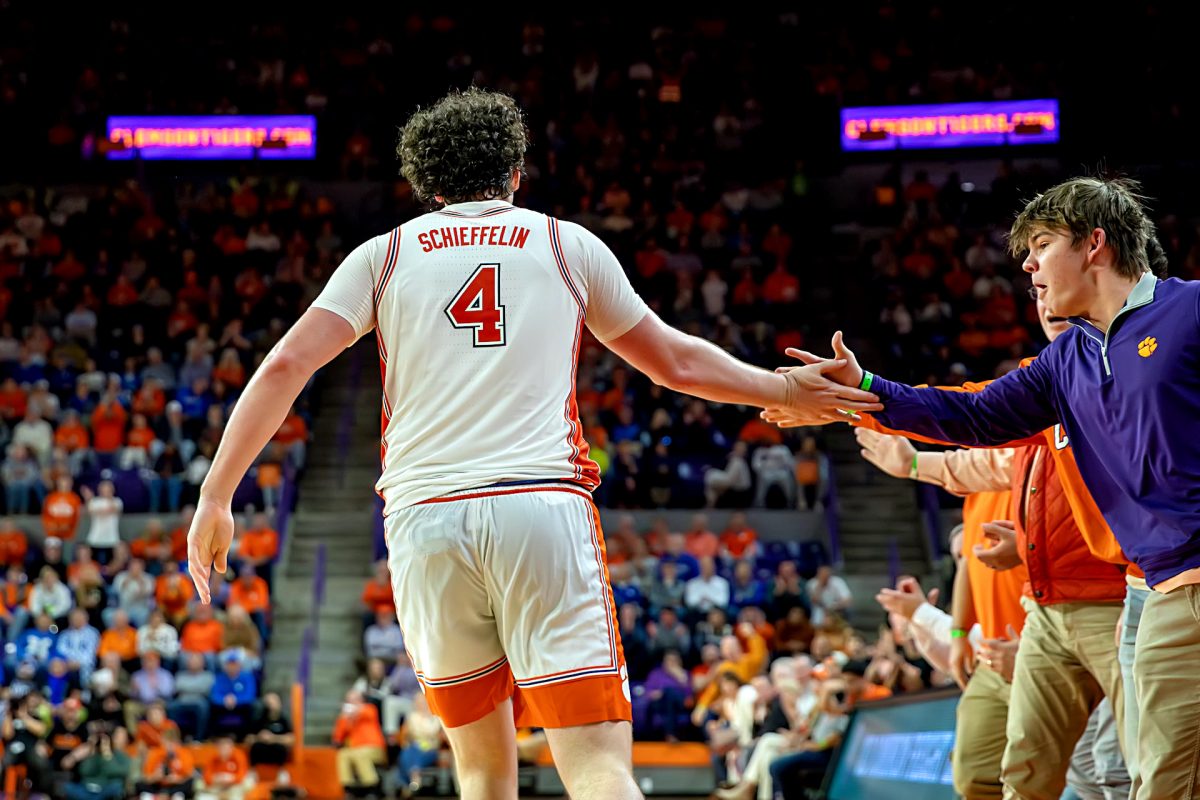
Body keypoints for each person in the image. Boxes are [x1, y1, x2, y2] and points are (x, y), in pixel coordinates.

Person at [184, 87, 878, 800]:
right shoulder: (563, 242)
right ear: (517, 171)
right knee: (597, 767)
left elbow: (285, 366)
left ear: (424, 185)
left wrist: (216, 495)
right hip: (536, 505)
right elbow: (676, 362)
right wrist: (785, 390)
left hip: (425, 521)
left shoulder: (382, 256)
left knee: (483, 772)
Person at [765, 177, 1192, 798]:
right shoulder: (1065, 360)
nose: (1027, 264)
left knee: (1156, 777)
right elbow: (971, 416)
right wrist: (864, 389)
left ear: (1096, 244)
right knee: (1124, 773)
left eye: (1042, 244)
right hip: (1145, 590)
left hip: (1172, 584)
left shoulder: (1189, 311)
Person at [332, 689, 387, 794]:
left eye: (354, 700)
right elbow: (338, 738)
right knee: (343, 754)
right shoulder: (345, 718)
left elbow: (365, 713)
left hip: (374, 749)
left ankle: (372, 786)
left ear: (361, 700)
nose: (352, 703)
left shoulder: (370, 708)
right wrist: (344, 718)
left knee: (360, 754)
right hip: (355, 749)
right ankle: (348, 788)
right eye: (349, 701)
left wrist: (354, 711)